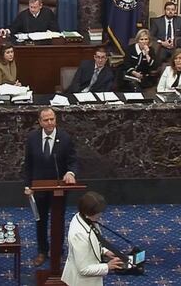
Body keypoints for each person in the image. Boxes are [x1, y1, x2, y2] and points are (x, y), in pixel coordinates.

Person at [23, 108, 78, 267]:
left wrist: (70, 173)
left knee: (58, 220)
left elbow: (73, 160)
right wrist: (28, 185)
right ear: (40, 122)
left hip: (58, 188)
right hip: (39, 187)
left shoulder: (65, 138)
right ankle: (42, 250)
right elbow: (28, 164)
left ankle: (57, 251)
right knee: (40, 220)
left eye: (52, 119)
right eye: (46, 120)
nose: (49, 123)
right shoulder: (32, 138)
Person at [61, 191, 124, 286]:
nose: (100, 215)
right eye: (98, 213)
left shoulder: (85, 218)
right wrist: (107, 266)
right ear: (89, 213)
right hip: (82, 282)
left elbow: (94, 240)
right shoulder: (79, 235)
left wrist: (104, 251)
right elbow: (83, 269)